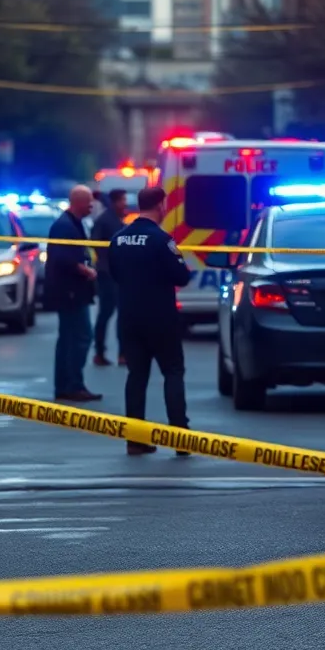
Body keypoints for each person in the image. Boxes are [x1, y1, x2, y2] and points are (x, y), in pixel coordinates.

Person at [108, 186, 192, 455]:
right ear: (160, 206)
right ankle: (180, 437)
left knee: (136, 376)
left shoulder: (118, 239)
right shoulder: (161, 240)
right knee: (173, 372)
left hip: (130, 318)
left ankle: (135, 438)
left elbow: (115, 274)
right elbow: (182, 277)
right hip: (161, 318)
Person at [43, 185, 103, 402]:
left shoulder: (71, 224)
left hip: (71, 291)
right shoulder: (65, 226)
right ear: (76, 202)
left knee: (68, 338)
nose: (91, 206)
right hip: (70, 292)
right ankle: (73, 385)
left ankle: (65, 386)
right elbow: (63, 258)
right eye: (88, 202)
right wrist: (84, 269)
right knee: (79, 337)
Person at [90, 187, 128, 367]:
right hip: (108, 275)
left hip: (118, 273)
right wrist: (106, 263)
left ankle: (122, 353)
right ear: (115, 202)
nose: (125, 204)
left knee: (121, 314)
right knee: (106, 313)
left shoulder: (115, 220)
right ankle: (99, 352)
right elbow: (97, 244)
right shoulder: (105, 220)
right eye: (122, 201)